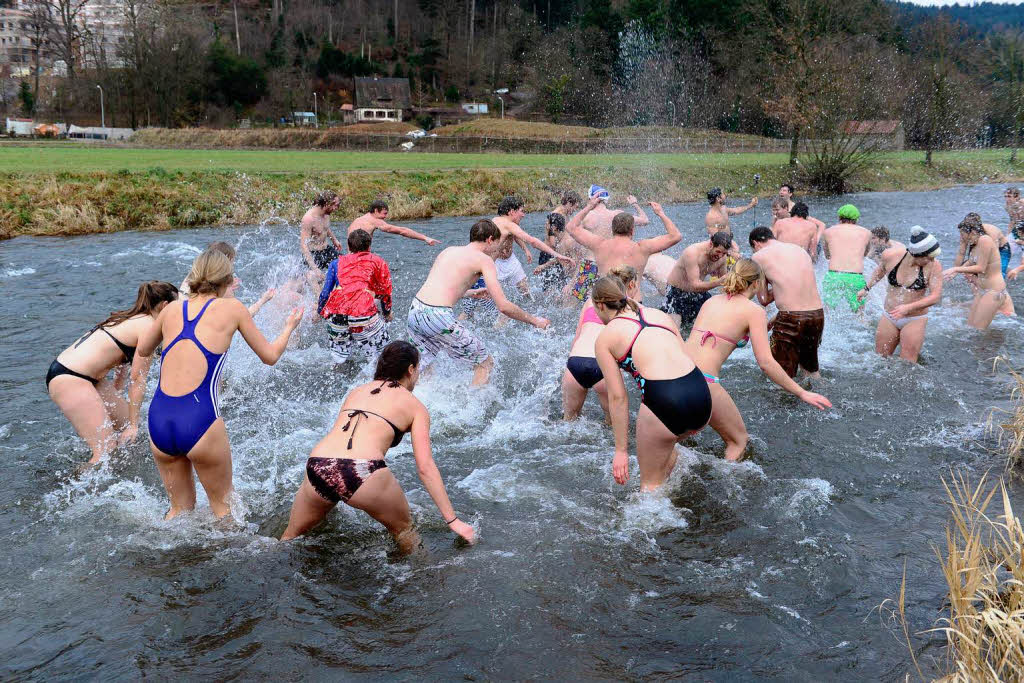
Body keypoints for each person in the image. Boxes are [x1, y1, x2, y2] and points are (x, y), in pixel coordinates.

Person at [137, 249, 303, 519]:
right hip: (199, 419)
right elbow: (270, 356)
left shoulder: (172, 309)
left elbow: (144, 350)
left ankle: (172, 561)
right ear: (226, 278)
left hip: (159, 419)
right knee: (224, 508)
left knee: (179, 510)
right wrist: (289, 327)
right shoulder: (233, 309)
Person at [280, 341, 476, 552]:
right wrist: (452, 520)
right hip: (362, 470)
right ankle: (421, 582)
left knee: (290, 537)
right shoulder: (415, 406)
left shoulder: (356, 391)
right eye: (417, 369)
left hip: (319, 465)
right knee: (405, 532)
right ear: (410, 369)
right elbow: (425, 466)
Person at [685, 259, 832, 461]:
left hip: (677, 374)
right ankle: (728, 489)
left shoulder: (710, 302)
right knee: (738, 441)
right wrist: (801, 392)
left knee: (679, 436)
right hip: (704, 381)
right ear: (756, 283)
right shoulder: (753, 311)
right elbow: (766, 363)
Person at [592, 276, 712, 491]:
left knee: (649, 486)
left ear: (600, 305)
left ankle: (657, 520)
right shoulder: (659, 315)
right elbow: (686, 355)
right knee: (668, 446)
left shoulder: (606, 337)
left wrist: (621, 451)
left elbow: (618, 397)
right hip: (700, 395)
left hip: (665, 401)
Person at [47, 281, 179, 464]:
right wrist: (132, 425)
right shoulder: (149, 327)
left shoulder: (134, 318)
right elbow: (138, 378)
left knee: (131, 431)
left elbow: (121, 361)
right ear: (165, 306)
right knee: (106, 451)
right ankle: (71, 487)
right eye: (177, 305)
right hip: (70, 378)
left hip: (89, 378)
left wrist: (116, 396)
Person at [408, 219, 551, 386]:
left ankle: (415, 405)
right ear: (490, 239)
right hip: (438, 316)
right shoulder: (484, 260)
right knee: (485, 364)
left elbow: (439, 288)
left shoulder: (448, 251)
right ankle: (472, 411)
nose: (499, 249)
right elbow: (503, 306)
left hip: (415, 311)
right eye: (498, 244)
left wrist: (471, 292)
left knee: (423, 368)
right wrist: (535, 321)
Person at [462, 196, 571, 318]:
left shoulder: (494, 221)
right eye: (521, 211)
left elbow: (514, 236)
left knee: (469, 311)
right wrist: (557, 255)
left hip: (476, 270)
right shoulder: (508, 225)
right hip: (484, 272)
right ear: (511, 211)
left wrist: (525, 250)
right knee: (502, 313)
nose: (523, 215)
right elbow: (533, 241)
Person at [563, 265, 640, 421]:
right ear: (631, 284)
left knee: (568, 421)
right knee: (611, 424)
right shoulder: (630, 306)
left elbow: (577, 337)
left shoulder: (591, 302)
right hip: (603, 365)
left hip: (575, 362)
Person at [565, 196, 681, 300]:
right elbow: (676, 236)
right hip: (633, 304)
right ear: (632, 230)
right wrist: (661, 213)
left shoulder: (599, 245)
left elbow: (571, 227)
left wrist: (589, 207)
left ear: (612, 229)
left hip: (607, 306)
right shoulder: (642, 248)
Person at [857, 227, 943, 363]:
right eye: (929, 258)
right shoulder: (890, 256)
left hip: (914, 318)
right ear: (916, 254)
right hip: (889, 316)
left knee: (907, 364)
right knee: (880, 359)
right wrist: (866, 288)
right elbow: (880, 271)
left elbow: (935, 296)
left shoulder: (934, 266)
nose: (931, 261)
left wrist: (908, 308)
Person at [749, 227, 825, 378]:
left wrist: (776, 286)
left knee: (781, 374)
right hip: (817, 316)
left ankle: (783, 401)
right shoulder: (799, 250)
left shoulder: (758, 257)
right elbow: (798, 291)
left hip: (791, 319)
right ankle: (820, 399)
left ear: (755, 243)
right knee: (810, 370)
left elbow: (763, 300)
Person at [317, 229, 393, 364]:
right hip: (362, 313)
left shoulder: (336, 263)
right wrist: (387, 313)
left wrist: (320, 312)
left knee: (339, 358)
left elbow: (325, 294)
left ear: (348, 245)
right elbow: (385, 292)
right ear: (369, 246)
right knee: (382, 354)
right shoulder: (378, 262)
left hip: (336, 313)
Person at [568, 185, 650, 302]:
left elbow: (572, 231)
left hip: (589, 264)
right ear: (606, 199)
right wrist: (634, 204)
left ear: (591, 199)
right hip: (608, 265)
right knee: (610, 302)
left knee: (579, 302)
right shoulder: (617, 215)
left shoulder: (587, 217)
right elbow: (645, 220)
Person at [944, 214, 1013, 330]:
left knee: (978, 331)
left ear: (972, 231)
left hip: (993, 291)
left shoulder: (984, 240)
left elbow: (981, 268)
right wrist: (954, 273)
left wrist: (956, 269)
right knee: (970, 328)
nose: (961, 237)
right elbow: (971, 261)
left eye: (962, 233)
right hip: (983, 290)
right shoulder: (975, 244)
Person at [180, 241, 275, 316]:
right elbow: (244, 316)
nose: (232, 267)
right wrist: (263, 300)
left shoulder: (193, 275)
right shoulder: (221, 287)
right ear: (224, 262)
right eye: (231, 262)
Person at [661, 232, 732, 328]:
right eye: (718, 251)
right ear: (711, 244)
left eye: (724, 253)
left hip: (698, 294)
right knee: (674, 331)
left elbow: (726, 282)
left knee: (717, 322)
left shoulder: (722, 258)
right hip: (676, 293)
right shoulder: (692, 253)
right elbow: (694, 285)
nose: (720, 256)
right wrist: (718, 282)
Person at [821, 204, 872, 313]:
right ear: (856, 219)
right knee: (860, 315)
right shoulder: (866, 233)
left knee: (828, 314)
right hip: (855, 277)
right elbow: (865, 254)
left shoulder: (828, 232)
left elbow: (827, 255)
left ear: (839, 218)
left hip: (834, 276)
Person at [346, 200, 440, 247]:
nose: (385, 217)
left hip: (349, 258)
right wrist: (425, 238)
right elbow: (402, 231)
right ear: (376, 211)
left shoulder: (358, 220)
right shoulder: (375, 221)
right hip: (360, 259)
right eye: (384, 214)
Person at [300, 190, 345, 279]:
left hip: (326, 250)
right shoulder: (309, 219)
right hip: (314, 255)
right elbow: (303, 245)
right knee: (312, 279)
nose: (336, 208)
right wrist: (315, 268)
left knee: (345, 266)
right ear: (327, 203)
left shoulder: (326, 214)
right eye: (335, 205)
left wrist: (334, 239)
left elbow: (325, 228)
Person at [954, 212, 1011, 279]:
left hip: (1001, 249)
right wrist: (955, 271)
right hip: (980, 244)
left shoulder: (991, 232)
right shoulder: (965, 232)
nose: (962, 235)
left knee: (995, 273)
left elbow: (994, 257)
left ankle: (1006, 272)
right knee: (971, 270)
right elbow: (961, 253)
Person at [532, 212, 573, 292]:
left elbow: (560, 259)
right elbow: (559, 258)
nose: (546, 226)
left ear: (553, 227)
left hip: (575, 277)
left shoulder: (564, 243)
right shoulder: (562, 238)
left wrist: (543, 266)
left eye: (547, 224)